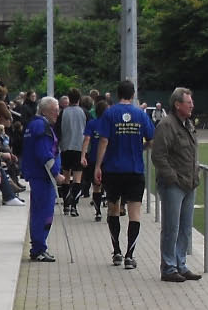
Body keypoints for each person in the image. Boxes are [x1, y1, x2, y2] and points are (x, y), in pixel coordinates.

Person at [88, 79, 155, 269]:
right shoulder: (140, 114)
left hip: (113, 169)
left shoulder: (109, 113)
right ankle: (129, 256)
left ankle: (116, 251)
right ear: (133, 94)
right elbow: (152, 140)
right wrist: (141, 148)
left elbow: (103, 141)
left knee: (113, 209)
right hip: (135, 169)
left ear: (118, 94)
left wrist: (98, 166)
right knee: (134, 213)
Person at [149, 86, 201, 281]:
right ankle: (169, 267)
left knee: (185, 228)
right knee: (171, 227)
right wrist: (172, 178)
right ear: (178, 104)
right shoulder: (166, 125)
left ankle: (181, 264)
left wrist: (194, 173)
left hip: (189, 183)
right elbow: (158, 156)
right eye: (189, 102)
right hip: (174, 185)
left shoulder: (188, 124)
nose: (192, 106)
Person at [21, 97, 62, 260]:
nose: (57, 114)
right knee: (43, 212)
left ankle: (39, 246)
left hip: (38, 175)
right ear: (44, 111)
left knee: (40, 211)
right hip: (43, 176)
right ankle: (38, 248)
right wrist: (56, 173)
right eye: (54, 110)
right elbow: (45, 153)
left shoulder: (34, 125)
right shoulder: (42, 127)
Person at [57, 89, 88, 217]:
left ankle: (65, 205)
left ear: (69, 99)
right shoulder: (84, 113)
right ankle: (74, 206)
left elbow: (58, 130)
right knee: (77, 179)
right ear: (79, 99)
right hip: (79, 148)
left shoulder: (63, 112)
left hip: (65, 147)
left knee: (65, 177)